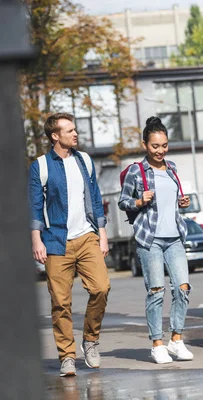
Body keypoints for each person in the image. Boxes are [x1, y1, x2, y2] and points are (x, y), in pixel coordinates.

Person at [29, 113, 111, 377]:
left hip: (87, 236)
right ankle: (67, 355)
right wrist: (36, 239)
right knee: (60, 303)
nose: (75, 134)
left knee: (101, 288)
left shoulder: (84, 160)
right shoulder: (40, 166)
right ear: (55, 136)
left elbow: (95, 198)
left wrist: (103, 233)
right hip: (55, 240)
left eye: (75, 130)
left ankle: (91, 340)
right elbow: (33, 206)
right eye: (70, 131)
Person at [119, 116, 194, 364]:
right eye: (155, 146)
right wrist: (139, 202)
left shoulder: (171, 168)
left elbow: (170, 200)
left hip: (174, 237)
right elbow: (123, 202)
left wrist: (181, 203)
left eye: (164, 145)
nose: (160, 150)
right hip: (149, 238)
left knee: (182, 288)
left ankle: (176, 340)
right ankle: (157, 344)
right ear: (145, 145)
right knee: (156, 291)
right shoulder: (136, 171)